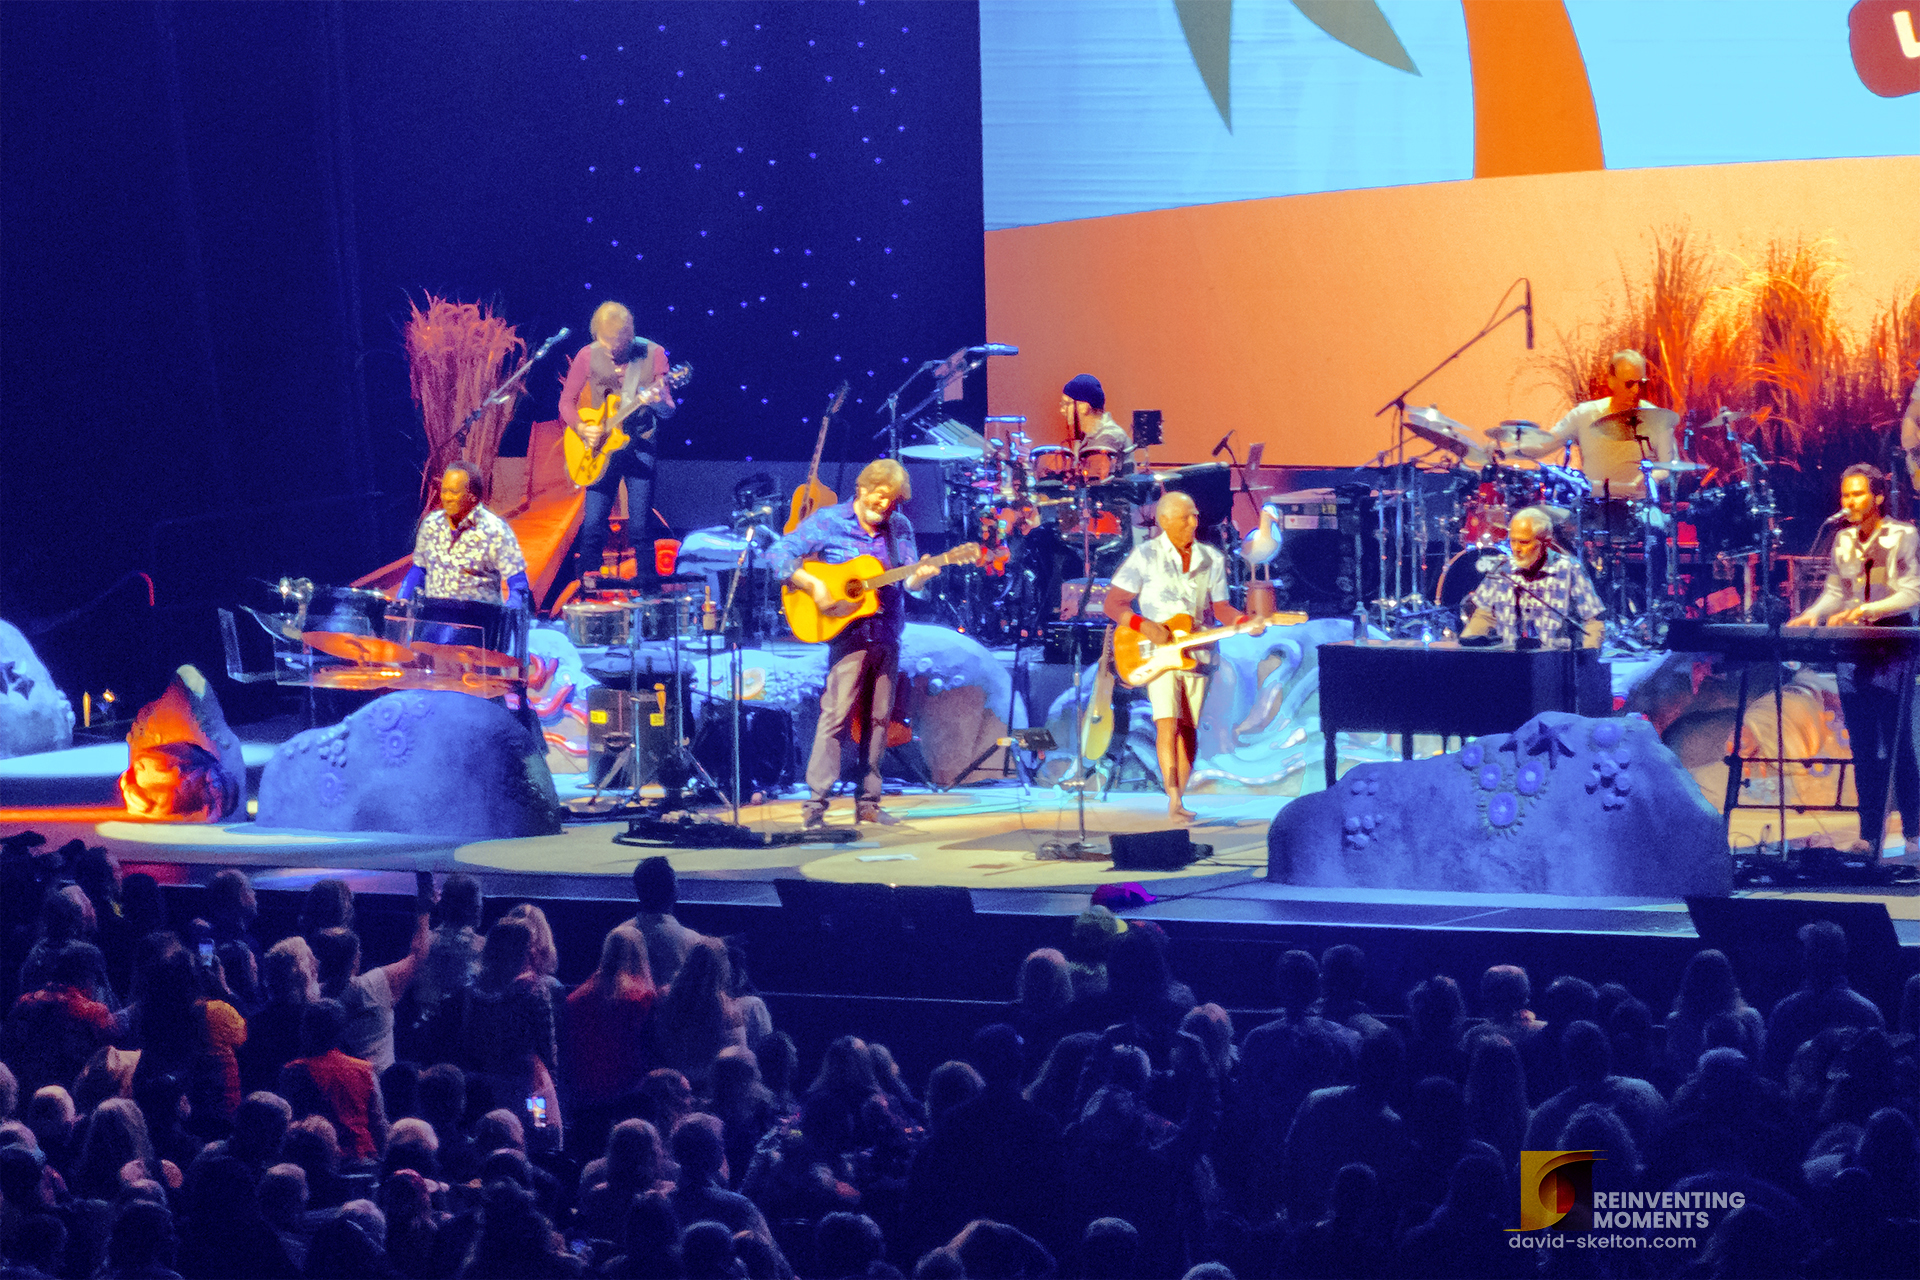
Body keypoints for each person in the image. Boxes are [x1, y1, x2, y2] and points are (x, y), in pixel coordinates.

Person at [771, 457, 945, 828]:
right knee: (835, 716)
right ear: (862, 489)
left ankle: (868, 803)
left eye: (893, 500)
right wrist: (814, 584)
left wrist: (921, 578)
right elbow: (778, 552)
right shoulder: (830, 521)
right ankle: (816, 805)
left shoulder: (900, 527)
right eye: (880, 496)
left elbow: (910, 581)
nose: (885, 505)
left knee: (878, 719)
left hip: (886, 632)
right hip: (847, 633)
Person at [1103, 489, 1264, 821]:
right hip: (1157, 651)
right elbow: (1112, 603)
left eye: (1195, 515)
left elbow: (1220, 607)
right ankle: (1173, 797)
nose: (1194, 522)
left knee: (1189, 725)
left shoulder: (1211, 559)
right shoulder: (1145, 556)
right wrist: (1142, 624)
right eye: (1185, 517)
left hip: (1199, 648)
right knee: (1167, 721)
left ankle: (1180, 792)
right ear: (1164, 522)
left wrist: (1244, 621)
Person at [1788, 462, 1920, 854]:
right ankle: (1870, 835)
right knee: (1862, 745)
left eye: (1858, 493)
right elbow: (1835, 591)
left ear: (1878, 496)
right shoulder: (1842, 540)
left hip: (1892, 642)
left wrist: (1865, 611)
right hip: (1852, 648)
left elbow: (1912, 591)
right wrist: (1814, 613)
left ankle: (1914, 832)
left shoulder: (1904, 536)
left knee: (1897, 743)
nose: (1850, 501)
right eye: (1846, 494)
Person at [560, 300, 678, 592]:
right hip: (599, 447)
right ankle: (588, 591)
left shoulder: (653, 353)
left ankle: (648, 593)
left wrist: (660, 399)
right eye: (604, 341)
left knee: (640, 527)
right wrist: (581, 427)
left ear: (630, 334)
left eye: (617, 341)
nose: (610, 348)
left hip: (640, 445)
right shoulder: (587, 355)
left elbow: (668, 411)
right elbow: (565, 402)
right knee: (593, 525)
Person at [1518, 349, 1679, 500]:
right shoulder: (1585, 414)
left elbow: (1671, 465)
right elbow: (1544, 444)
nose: (1636, 390)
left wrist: (1653, 477)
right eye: (1629, 384)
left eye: (1641, 384)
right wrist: (1504, 450)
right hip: (1592, 506)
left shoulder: (1658, 419)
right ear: (1611, 381)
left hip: (1638, 509)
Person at [1458, 505, 1606, 647]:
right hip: (1509, 664)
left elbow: (1593, 622)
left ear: (1546, 542)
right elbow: (1483, 616)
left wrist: (1587, 659)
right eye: (1512, 541)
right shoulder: (1501, 569)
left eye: (1523, 542)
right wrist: (1465, 651)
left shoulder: (1569, 569)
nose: (1516, 549)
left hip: (1556, 664)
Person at [396, 461, 531, 609]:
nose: (446, 498)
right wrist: (403, 595)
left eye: (453, 492)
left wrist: (511, 607)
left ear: (473, 497)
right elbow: (420, 568)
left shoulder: (495, 529)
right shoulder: (431, 524)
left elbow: (518, 581)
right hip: (434, 618)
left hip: (478, 623)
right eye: (444, 491)